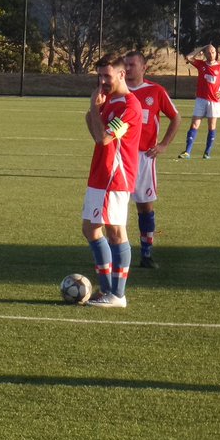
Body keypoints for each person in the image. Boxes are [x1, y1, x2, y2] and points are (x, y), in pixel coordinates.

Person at [82, 56, 142, 308]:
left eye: (107, 76)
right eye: (100, 76)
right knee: (90, 228)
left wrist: (95, 109)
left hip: (114, 176)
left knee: (116, 232)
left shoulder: (129, 105)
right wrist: (94, 110)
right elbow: (93, 128)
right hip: (100, 174)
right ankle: (106, 288)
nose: (103, 81)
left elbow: (104, 139)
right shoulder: (110, 102)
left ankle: (117, 294)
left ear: (121, 74)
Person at [123, 51, 180, 270]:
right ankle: (115, 252)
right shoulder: (118, 91)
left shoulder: (155, 91)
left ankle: (146, 254)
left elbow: (176, 117)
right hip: (120, 156)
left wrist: (164, 144)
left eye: (132, 65)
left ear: (143, 67)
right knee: (115, 207)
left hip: (144, 157)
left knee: (145, 207)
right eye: (125, 65)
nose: (128, 69)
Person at [178, 44, 220, 159]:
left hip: (214, 101)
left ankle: (207, 153)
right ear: (205, 53)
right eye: (209, 52)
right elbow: (188, 57)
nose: (211, 54)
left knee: (212, 126)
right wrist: (201, 47)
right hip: (201, 100)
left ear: (216, 53)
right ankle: (187, 152)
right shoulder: (201, 65)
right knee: (194, 124)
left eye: (213, 52)